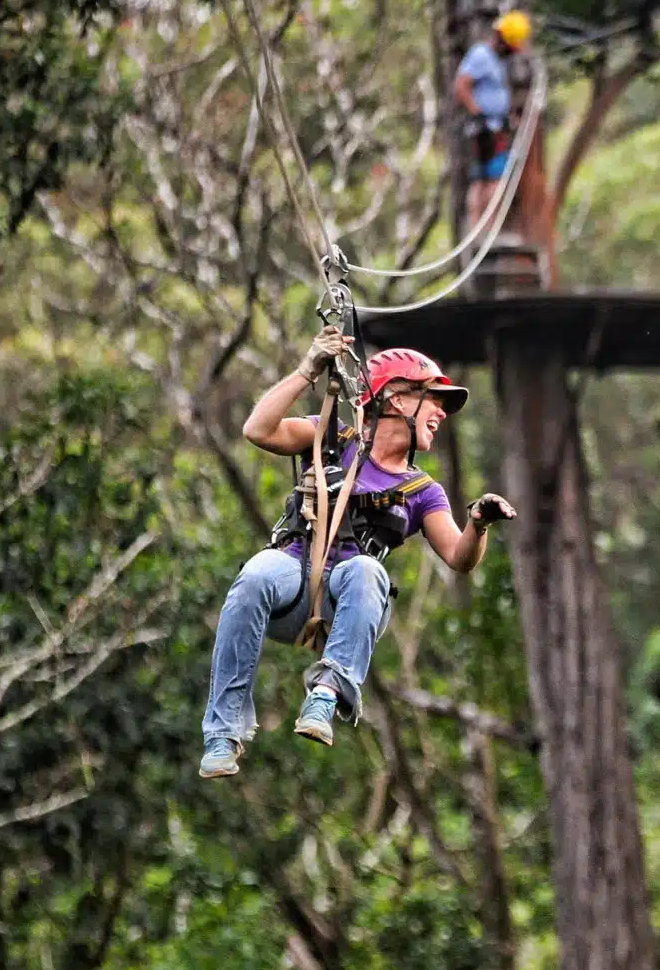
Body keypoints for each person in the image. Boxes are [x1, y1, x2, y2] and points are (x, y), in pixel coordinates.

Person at [198, 328, 516, 778]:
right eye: (435, 400)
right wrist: (308, 369)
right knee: (253, 575)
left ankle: (328, 693)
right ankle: (222, 732)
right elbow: (258, 430)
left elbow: (459, 558)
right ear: (399, 400)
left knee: (367, 570)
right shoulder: (330, 438)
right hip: (294, 575)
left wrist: (478, 524)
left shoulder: (422, 492)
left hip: (347, 604)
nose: (442, 414)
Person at [455, 9, 531, 233]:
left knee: (489, 179)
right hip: (484, 129)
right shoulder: (481, 55)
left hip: (497, 126)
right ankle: (482, 231)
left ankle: (484, 231)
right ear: (502, 40)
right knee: (490, 180)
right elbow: (461, 85)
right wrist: (478, 114)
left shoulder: (497, 61)